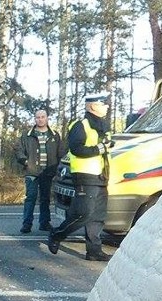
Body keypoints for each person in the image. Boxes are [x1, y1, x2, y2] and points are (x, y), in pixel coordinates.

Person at [47, 92, 114, 261]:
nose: (107, 106)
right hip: (85, 176)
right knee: (83, 214)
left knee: (98, 216)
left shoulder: (102, 125)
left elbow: (105, 146)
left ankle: (94, 251)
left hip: (101, 176)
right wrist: (100, 148)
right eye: (103, 104)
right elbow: (77, 149)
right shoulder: (80, 125)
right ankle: (56, 234)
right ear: (92, 106)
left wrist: (108, 145)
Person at [15, 109, 67, 233]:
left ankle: (44, 223)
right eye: (38, 117)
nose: (40, 119)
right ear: (35, 119)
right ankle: (27, 224)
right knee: (30, 197)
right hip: (32, 171)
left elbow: (61, 152)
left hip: (48, 171)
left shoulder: (54, 135)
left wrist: (59, 167)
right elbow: (18, 150)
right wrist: (25, 161)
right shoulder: (27, 135)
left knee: (45, 198)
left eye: (43, 117)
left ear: (47, 118)